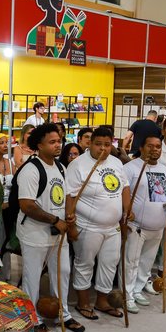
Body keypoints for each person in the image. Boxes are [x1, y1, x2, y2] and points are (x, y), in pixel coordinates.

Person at [16, 123, 85, 332]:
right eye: (52, 142)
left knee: (62, 272)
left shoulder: (61, 167)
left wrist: (68, 217)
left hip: (58, 232)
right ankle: (32, 317)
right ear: (39, 145)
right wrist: (55, 219)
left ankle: (62, 313)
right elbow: (26, 205)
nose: (58, 145)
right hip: (35, 233)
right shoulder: (30, 169)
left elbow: (64, 197)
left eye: (59, 141)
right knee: (32, 276)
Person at [65, 126, 127, 320]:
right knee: (85, 263)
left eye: (107, 145)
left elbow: (124, 187)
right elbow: (69, 196)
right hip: (87, 225)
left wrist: (126, 211)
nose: (103, 149)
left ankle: (102, 301)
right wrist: (71, 226)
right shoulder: (78, 165)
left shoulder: (116, 162)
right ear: (90, 144)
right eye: (98, 144)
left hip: (113, 227)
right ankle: (83, 302)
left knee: (110, 263)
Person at [120, 135, 166, 312]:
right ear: (141, 147)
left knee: (146, 262)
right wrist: (126, 212)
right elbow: (123, 192)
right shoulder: (130, 168)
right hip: (136, 225)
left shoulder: (165, 170)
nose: (155, 150)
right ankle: (127, 294)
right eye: (150, 146)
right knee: (131, 261)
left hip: (158, 225)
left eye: (158, 146)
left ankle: (137, 289)